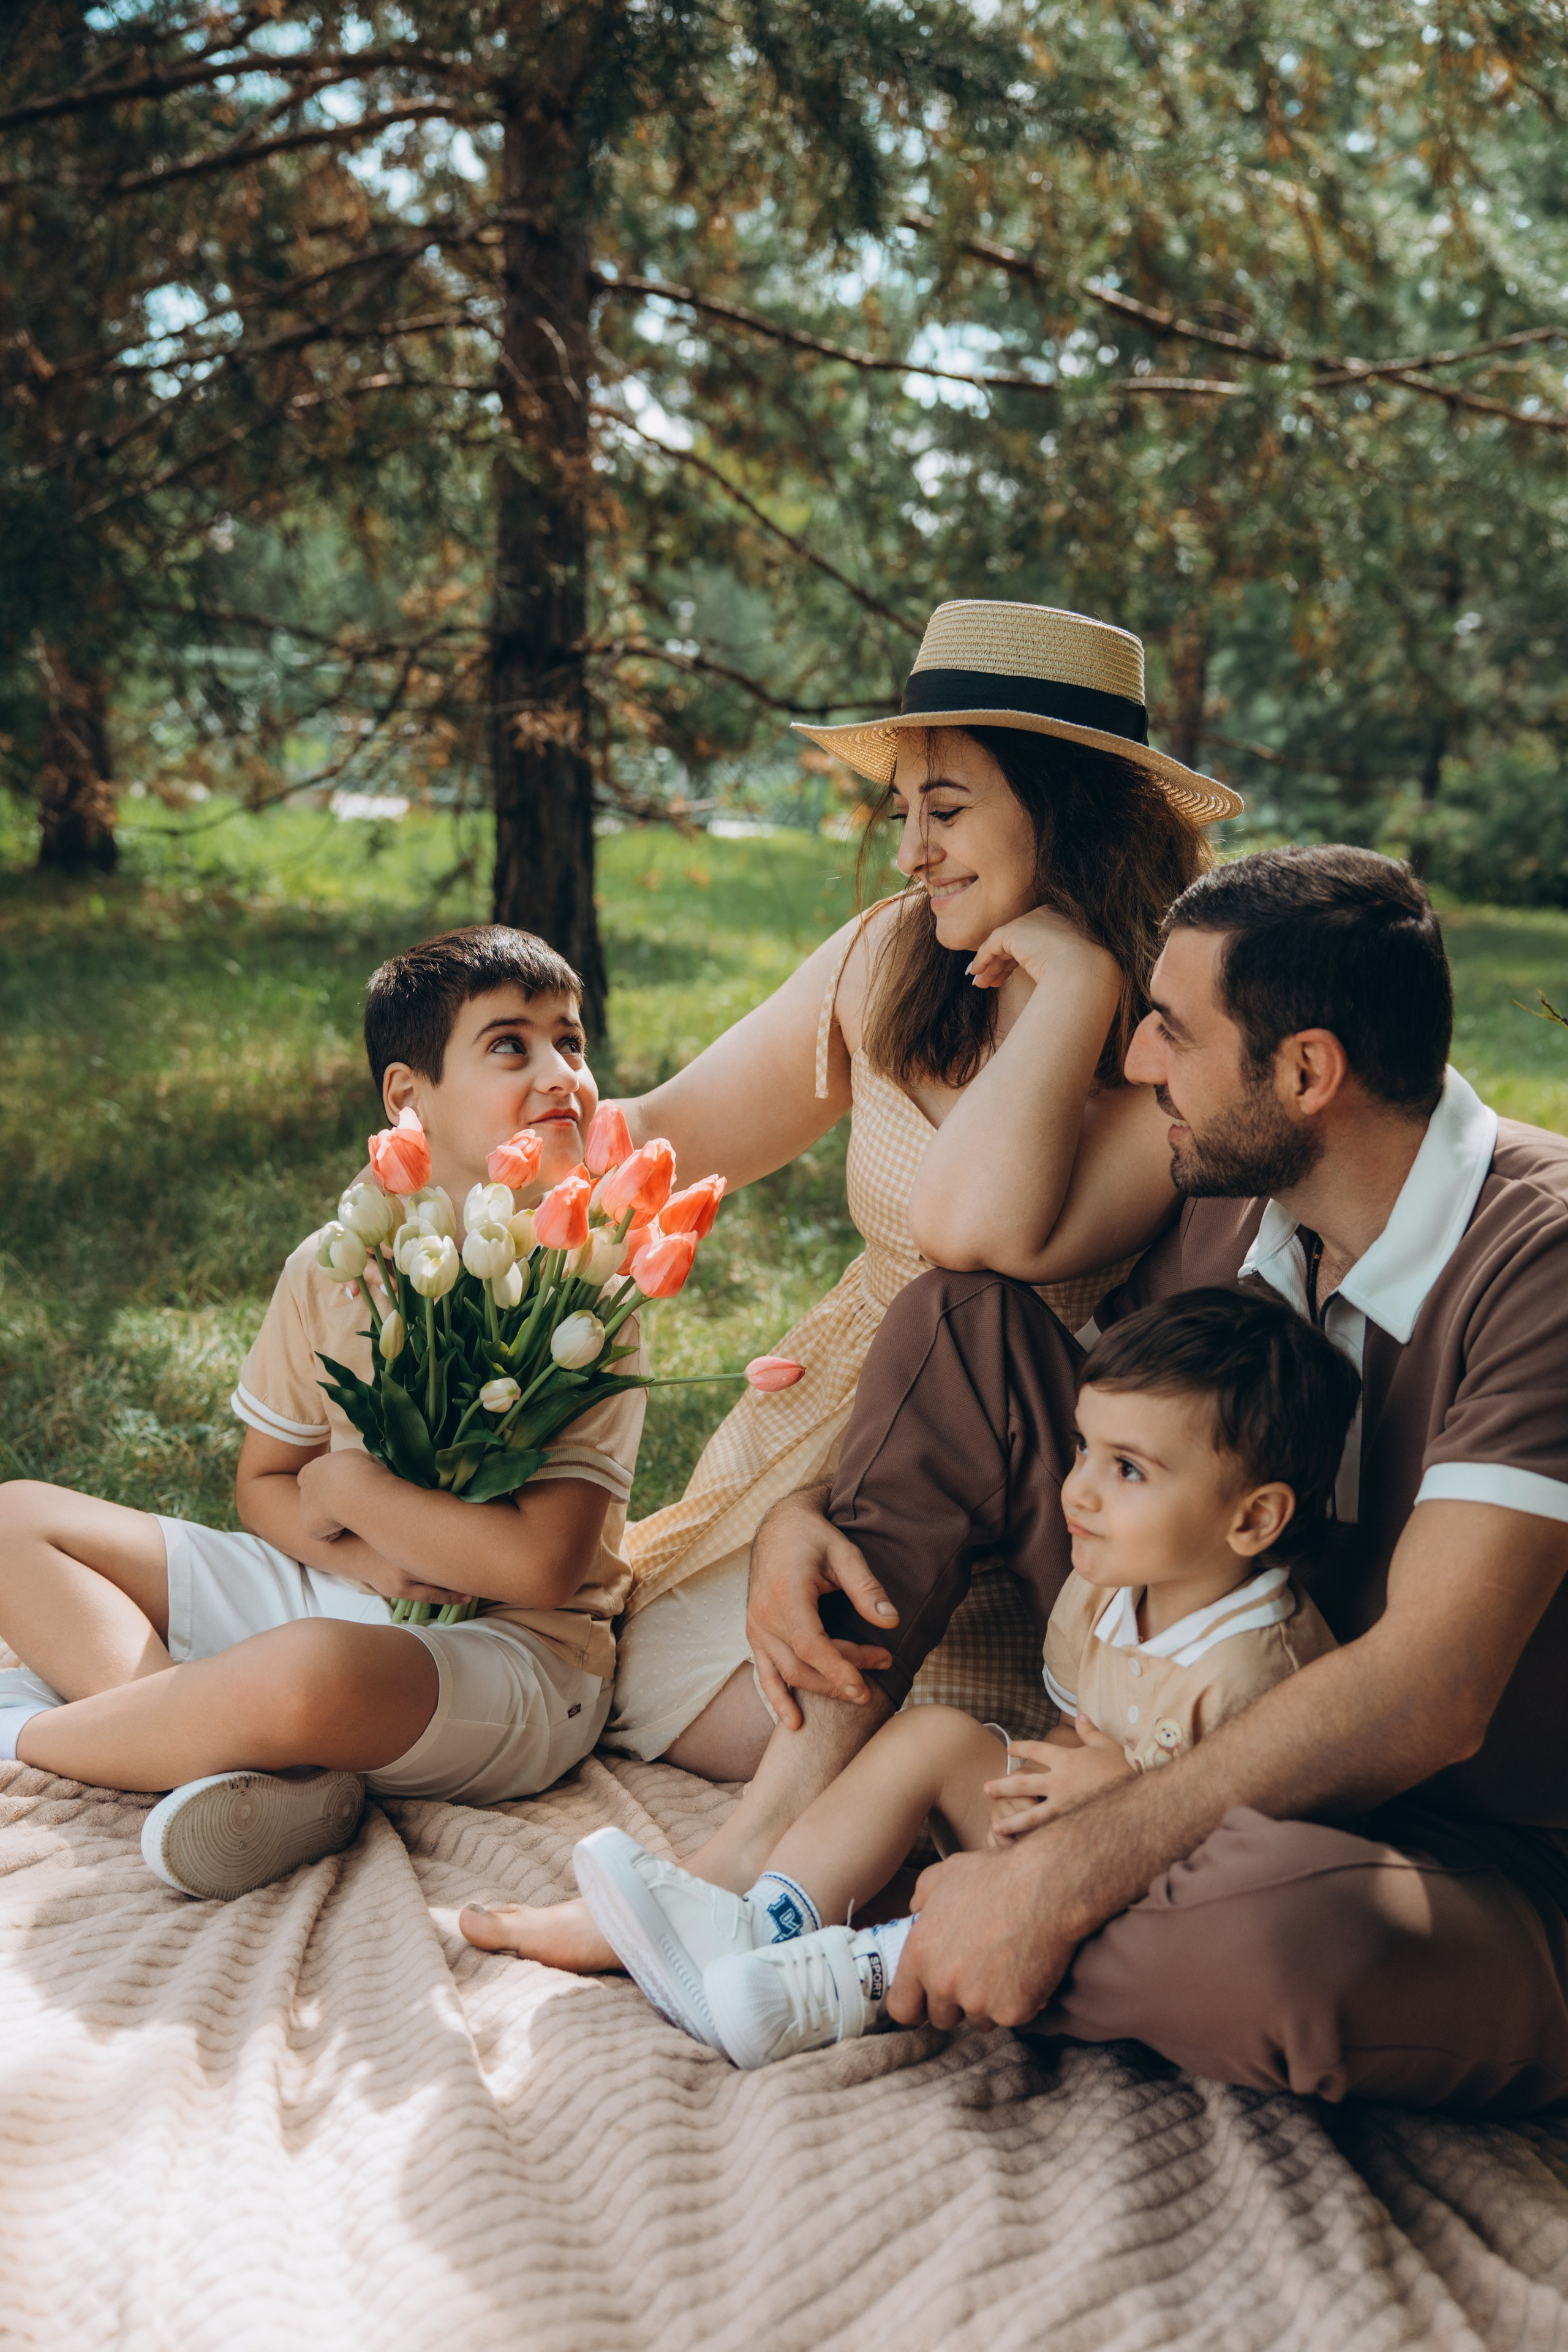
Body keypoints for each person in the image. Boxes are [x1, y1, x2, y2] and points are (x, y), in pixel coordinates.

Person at [696, 844, 1568, 2114]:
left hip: (1464, 1847)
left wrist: (1063, 1875)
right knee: (961, 1322)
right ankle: (774, 1858)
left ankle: (906, 1931)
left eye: (1173, 1030)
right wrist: (802, 1509)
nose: (1143, 1060)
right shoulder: (1237, 1201)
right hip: (1192, 1732)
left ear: (1306, 1072)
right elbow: (1072, 1429)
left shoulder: (1541, 1260)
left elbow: (1429, 1695)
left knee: (1288, 1949)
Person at [465, 597, 1241, 1967]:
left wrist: (1069, 991)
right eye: (902, 813)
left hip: (1026, 1512)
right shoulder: (897, 956)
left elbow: (971, 1237)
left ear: (1064, 814)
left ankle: (759, 1857)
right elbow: (669, 1132)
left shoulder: (1164, 1040)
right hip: (829, 1452)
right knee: (617, 1675)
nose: (912, 849)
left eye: (945, 810)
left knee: (955, 1320)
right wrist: (483, 1146)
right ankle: (843, 1821)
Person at [0, 926, 647, 1899]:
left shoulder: (588, 1288)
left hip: (516, 1658)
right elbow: (265, 1482)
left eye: (572, 1042)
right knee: (15, 1519)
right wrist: (359, 1558)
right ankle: (233, 1765)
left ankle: (38, 1733)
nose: (561, 1073)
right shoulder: (342, 1262)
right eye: (512, 1045)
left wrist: (349, 1490)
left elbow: (541, 1568)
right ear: (407, 1096)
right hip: (343, 1590)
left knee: (306, 1672)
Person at [564, 1288, 1357, 2068]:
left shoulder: (1262, 1671)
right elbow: (1068, 1730)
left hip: (1168, 1900)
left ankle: (841, 1982)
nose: (1078, 1489)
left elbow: (1261, 1877)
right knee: (934, 1736)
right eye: (1083, 1448)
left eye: (1128, 1470)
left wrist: (1114, 1804)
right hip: (1069, 1839)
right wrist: (1026, 1809)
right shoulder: (1105, 1588)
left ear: (1253, 1519)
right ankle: (766, 1920)